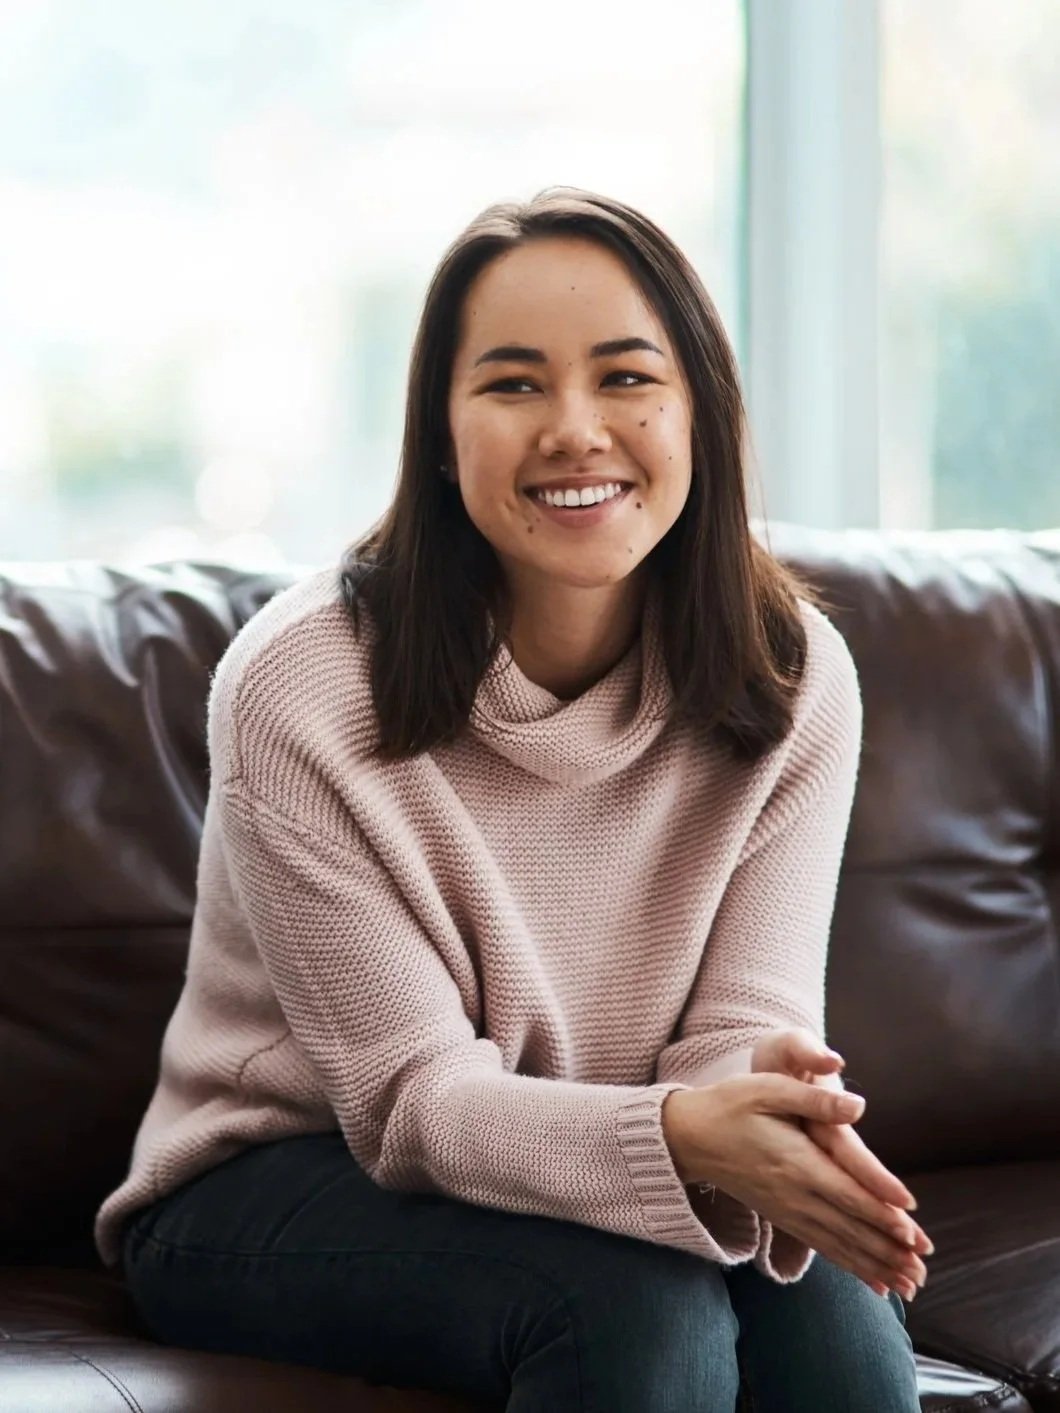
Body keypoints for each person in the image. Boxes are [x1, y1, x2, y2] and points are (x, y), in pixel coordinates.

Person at [97, 186, 931, 1411]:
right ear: (441, 435)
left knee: (840, 1337)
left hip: (609, 1143)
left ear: (699, 411)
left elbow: (733, 1027)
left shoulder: (791, 674)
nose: (576, 429)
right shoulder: (302, 688)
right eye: (513, 384)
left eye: (627, 377)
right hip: (279, 1179)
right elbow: (411, 1106)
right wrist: (684, 1138)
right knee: (633, 1317)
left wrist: (770, 1118)